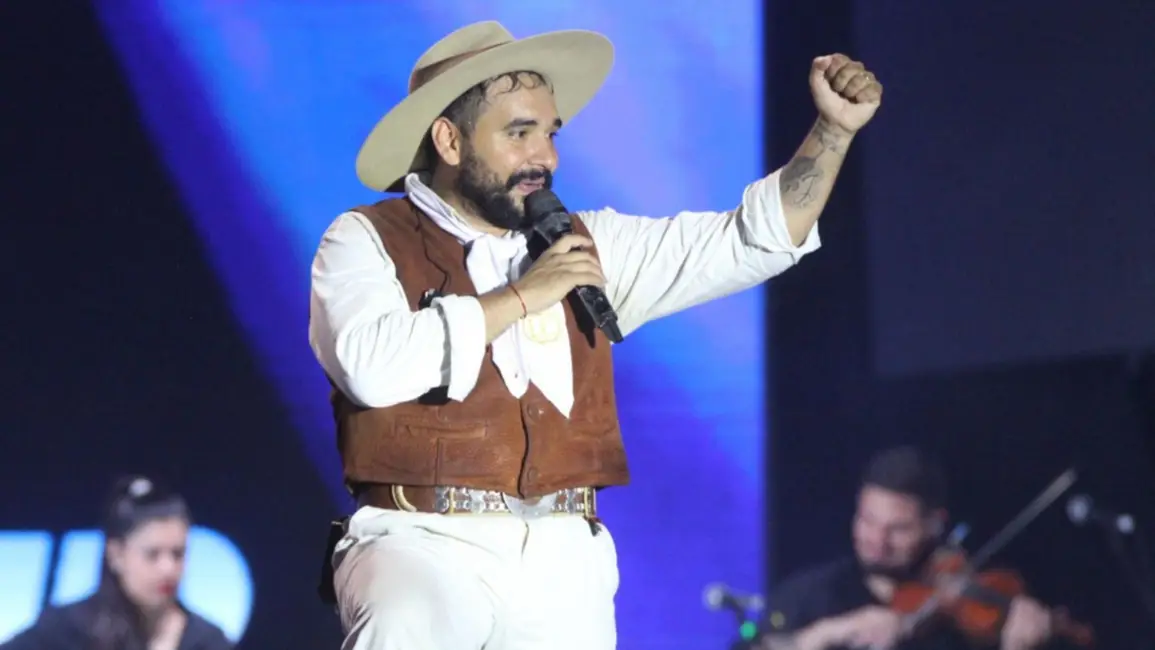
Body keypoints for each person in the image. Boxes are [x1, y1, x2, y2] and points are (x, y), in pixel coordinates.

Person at [308, 19, 882, 650]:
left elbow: (751, 239)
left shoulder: (585, 245)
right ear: (449, 140)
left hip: (562, 558)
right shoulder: (365, 240)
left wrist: (833, 132)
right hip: (418, 541)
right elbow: (369, 366)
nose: (546, 158)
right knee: (409, 613)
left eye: (550, 133)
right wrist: (523, 296)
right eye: (519, 133)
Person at [754, 447, 1064, 650]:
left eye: (898, 529)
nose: (877, 540)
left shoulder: (964, 623)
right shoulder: (810, 594)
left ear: (936, 524)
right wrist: (828, 632)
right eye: (867, 520)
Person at [0, 476, 232, 650]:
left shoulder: (207, 641)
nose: (168, 569)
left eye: (178, 554)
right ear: (116, 554)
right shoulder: (68, 630)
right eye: (152, 555)